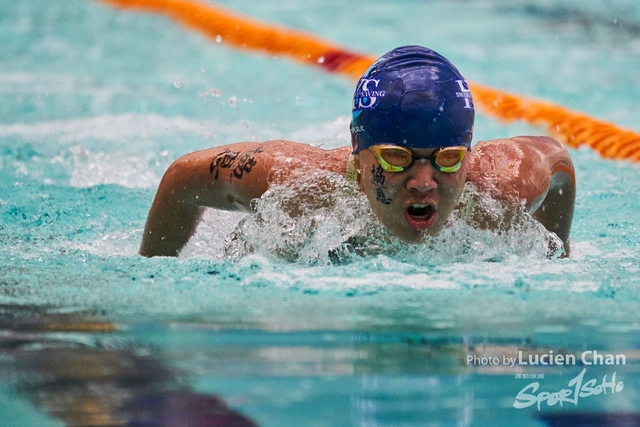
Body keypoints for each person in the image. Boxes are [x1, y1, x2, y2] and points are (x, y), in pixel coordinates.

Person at [139, 45, 575, 258]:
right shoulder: (297, 183)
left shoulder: (501, 186)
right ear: (357, 150)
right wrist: (153, 275)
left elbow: (560, 163)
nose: (424, 183)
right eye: (397, 158)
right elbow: (182, 176)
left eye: (446, 159)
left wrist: (558, 256)